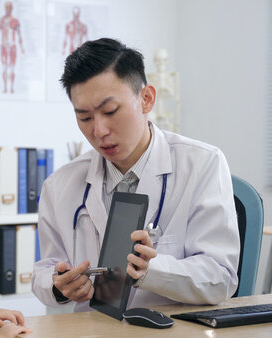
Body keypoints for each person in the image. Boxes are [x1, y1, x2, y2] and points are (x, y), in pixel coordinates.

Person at [32, 38, 240, 312]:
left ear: (146, 99)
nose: (99, 131)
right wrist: (58, 286)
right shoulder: (59, 185)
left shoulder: (203, 165)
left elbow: (220, 277)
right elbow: (44, 270)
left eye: (110, 111)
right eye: (84, 118)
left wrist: (154, 271)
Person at [0, 1, 25, 94]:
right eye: (6, 7)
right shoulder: (0, 21)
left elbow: (19, 35)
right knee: (4, 68)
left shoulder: (15, 21)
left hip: (12, 47)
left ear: (12, 8)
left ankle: (12, 88)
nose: (8, 9)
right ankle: (5, 87)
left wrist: (21, 47)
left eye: (9, 7)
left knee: (12, 68)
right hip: (3, 46)